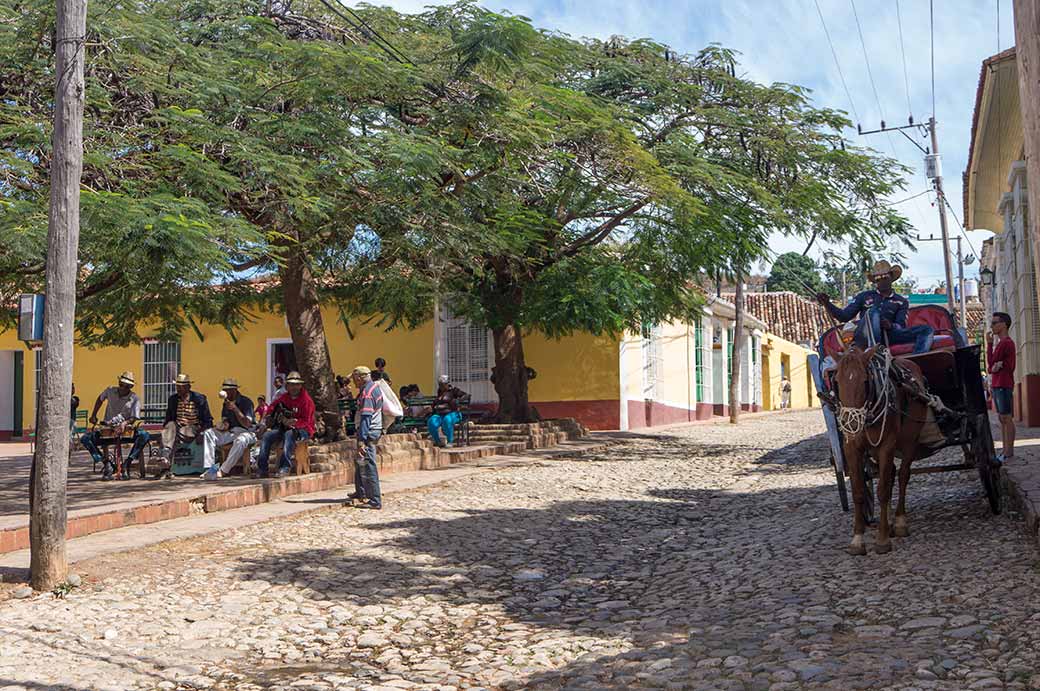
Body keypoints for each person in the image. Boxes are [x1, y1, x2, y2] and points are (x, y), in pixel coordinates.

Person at [816, 261, 934, 355]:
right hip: (864, 336)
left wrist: (890, 325)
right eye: (878, 279)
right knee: (873, 312)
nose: (881, 281)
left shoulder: (901, 301)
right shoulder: (864, 296)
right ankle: (875, 351)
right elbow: (844, 316)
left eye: (884, 277)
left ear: (891, 278)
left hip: (889, 335)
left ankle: (917, 358)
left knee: (926, 330)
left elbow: (900, 325)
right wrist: (827, 303)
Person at [81, 371, 149, 481]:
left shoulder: (134, 398)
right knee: (85, 438)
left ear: (130, 386)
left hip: (125, 430)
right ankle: (106, 463)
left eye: (126, 386)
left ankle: (127, 463)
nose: (122, 388)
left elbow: (134, 417)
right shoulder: (110, 390)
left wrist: (125, 423)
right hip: (108, 429)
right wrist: (94, 415)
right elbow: (100, 399)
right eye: (121, 384)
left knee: (144, 436)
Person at [256, 371, 315, 478]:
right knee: (267, 436)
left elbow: (307, 421)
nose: (294, 387)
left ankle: (285, 467)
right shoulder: (284, 397)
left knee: (289, 434)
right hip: (285, 428)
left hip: (303, 430)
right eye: (291, 384)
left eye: (296, 384)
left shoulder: (307, 401)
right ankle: (262, 469)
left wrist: (294, 423)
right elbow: (272, 407)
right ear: (287, 386)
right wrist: (270, 416)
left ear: (300, 385)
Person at [156, 373, 213, 479]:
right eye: (177, 387)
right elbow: (168, 419)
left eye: (181, 387)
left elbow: (208, 421)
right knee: (170, 426)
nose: (179, 390)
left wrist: (201, 432)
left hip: (192, 428)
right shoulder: (173, 399)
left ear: (188, 387)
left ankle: (165, 464)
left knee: (171, 435)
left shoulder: (199, 399)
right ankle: (165, 456)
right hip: (176, 427)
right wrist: (166, 429)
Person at [201, 378, 257, 480]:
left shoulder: (246, 402)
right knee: (208, 433)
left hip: (247, 432)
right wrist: (223, 425)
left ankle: (223, 470)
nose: (225, 392)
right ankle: (210, 469)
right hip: (231, 432)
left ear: (234, 390)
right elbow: (226, 420)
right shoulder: (226, 403)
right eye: (224, 390)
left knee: (241, 440)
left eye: (227, 390)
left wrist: (235, 409)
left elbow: (247, 424)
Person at [348, 366, 382, 509]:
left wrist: (361, 439)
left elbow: (366, 417)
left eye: (355, 379)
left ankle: (375, 500)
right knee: (360, 461)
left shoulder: (367, 393)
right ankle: (360, 491)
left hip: (368, 431)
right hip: (373, 429)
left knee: (368, 464)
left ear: (360, 378)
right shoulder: (374, 388)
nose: (353, 382)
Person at [987, 311, 1017, 463]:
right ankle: (1005, 450)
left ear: (1003, 324)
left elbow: (1009, 366)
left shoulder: (1007, 343)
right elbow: (991, 365)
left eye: (994, 323)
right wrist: (990, 344)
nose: (992, 326)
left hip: (1004, 383)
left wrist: (999, 365)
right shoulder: (999, 344)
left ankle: (1009, 451)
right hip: (997, 384)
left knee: (1006, 417)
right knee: (1001, 418)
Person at [427, 375, 470, 448]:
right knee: (431, 422)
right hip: (440, 414)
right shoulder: (439, 392)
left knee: (447, 420)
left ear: (447, 384)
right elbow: (436, 402)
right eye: (440, 384)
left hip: (454, 413)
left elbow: (466, 395)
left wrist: (458, 401)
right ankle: (438, 442)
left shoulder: (454, 390)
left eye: (443, 384)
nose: (441, 386)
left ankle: (450, 441)